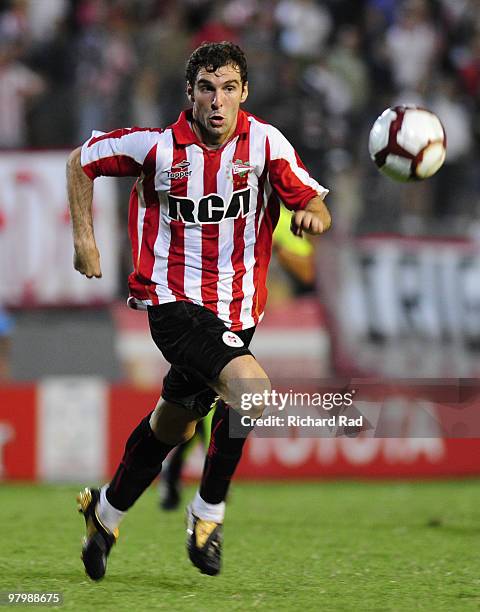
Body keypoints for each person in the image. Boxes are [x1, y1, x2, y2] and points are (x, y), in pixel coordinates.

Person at [68, 41, 331, 581]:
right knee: (253, 392)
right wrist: (84, 240)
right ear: (189, 94)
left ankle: (105, 515)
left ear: (244, 93)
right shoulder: (156, 148)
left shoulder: (265, 143)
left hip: (237, 313)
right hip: (172, 302)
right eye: (207, 88)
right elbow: (81, 162)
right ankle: (207, 516)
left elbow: (311, 199)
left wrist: (314, 217)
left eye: (229, 88)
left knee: (174, 425)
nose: (217, 101)